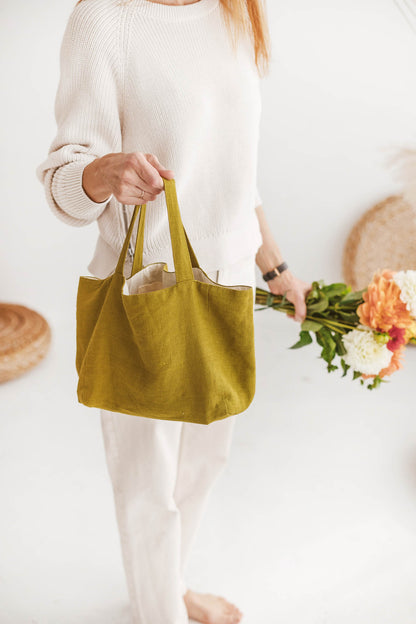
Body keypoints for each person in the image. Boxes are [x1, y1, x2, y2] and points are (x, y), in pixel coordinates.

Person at [36, 0, 312, 622]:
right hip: (147, 286)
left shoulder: (235, 12)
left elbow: (234, 169)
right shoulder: (104, 21)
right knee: (147, 481)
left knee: (206, 459)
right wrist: (102, 172)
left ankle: (163, 590)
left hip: (229, 278)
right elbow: (61, 176)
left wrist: (274, 266)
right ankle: (158, 611)